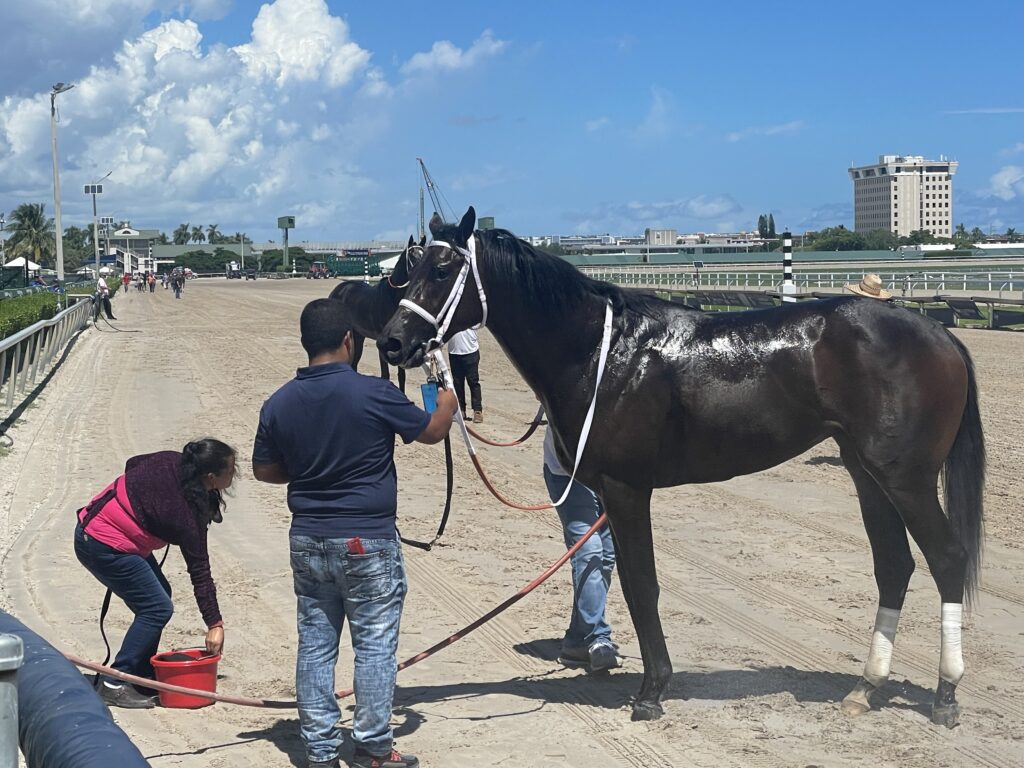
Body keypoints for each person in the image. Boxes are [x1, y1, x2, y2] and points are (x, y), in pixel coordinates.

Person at [253, 298, 457, 768]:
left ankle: (321, 750)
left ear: (307, 343)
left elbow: (264, 469)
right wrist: (443, 397)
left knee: (316, 645)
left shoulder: (279, 401)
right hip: (367, 539)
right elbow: (431, 432)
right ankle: (371, 747)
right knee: (374, 646)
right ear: (350, 340)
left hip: (307, 538)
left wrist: (310, 471)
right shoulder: (373, 392)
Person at [73, 439, 236, 709]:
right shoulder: (186, 515)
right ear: (210, 477)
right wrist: (214, 623)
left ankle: (137, 673)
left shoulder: (171, 459)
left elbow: (132, 464)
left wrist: (146, 504)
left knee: (159, 597)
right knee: (157, 607)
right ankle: (115, 683)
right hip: (102, 544)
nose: (235, 473)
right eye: (230, 470)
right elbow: (200, 571)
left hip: (104, 530)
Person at [543, 426, 620, 675]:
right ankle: (597, 637)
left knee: (606, 557)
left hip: (610, 472)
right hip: (569, 472)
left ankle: (577, 641)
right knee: (589, 552)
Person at [447, 328, 483, 423]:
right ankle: (460, 410)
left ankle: (477, 410)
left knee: (473, 382)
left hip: (470, 351)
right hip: (454, 352)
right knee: (458, 383)